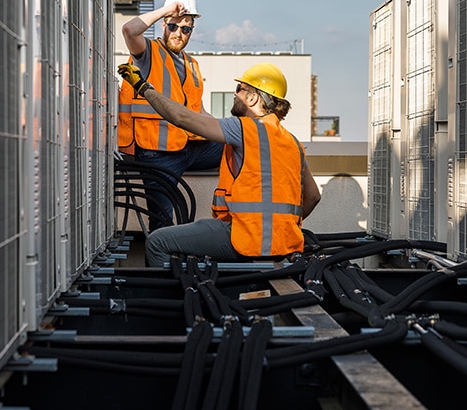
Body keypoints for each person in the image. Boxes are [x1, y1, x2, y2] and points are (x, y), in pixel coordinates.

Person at [117, 61, 321, 265]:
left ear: (252, 97)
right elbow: (313, 196)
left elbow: (181, 117)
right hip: (283, 243)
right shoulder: (294, 143)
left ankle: (181, 295)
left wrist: (144, 88)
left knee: (156, 242)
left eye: (239, 89)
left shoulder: (244, 128)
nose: (235, 94)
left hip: (243, 238)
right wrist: (277, 228)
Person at [117, 0, 223, 229]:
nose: (178, 33)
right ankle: (162, 265)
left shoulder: (191, 64)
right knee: (162, 221)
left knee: (241, 145)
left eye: (185, 29)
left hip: (190, 147)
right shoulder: (148, 53)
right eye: (173, 26)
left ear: (192, 31)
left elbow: (199, 112)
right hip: (157, 153)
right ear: (164, 25)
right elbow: (128, 30)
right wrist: (166, 11)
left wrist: (231, 131)